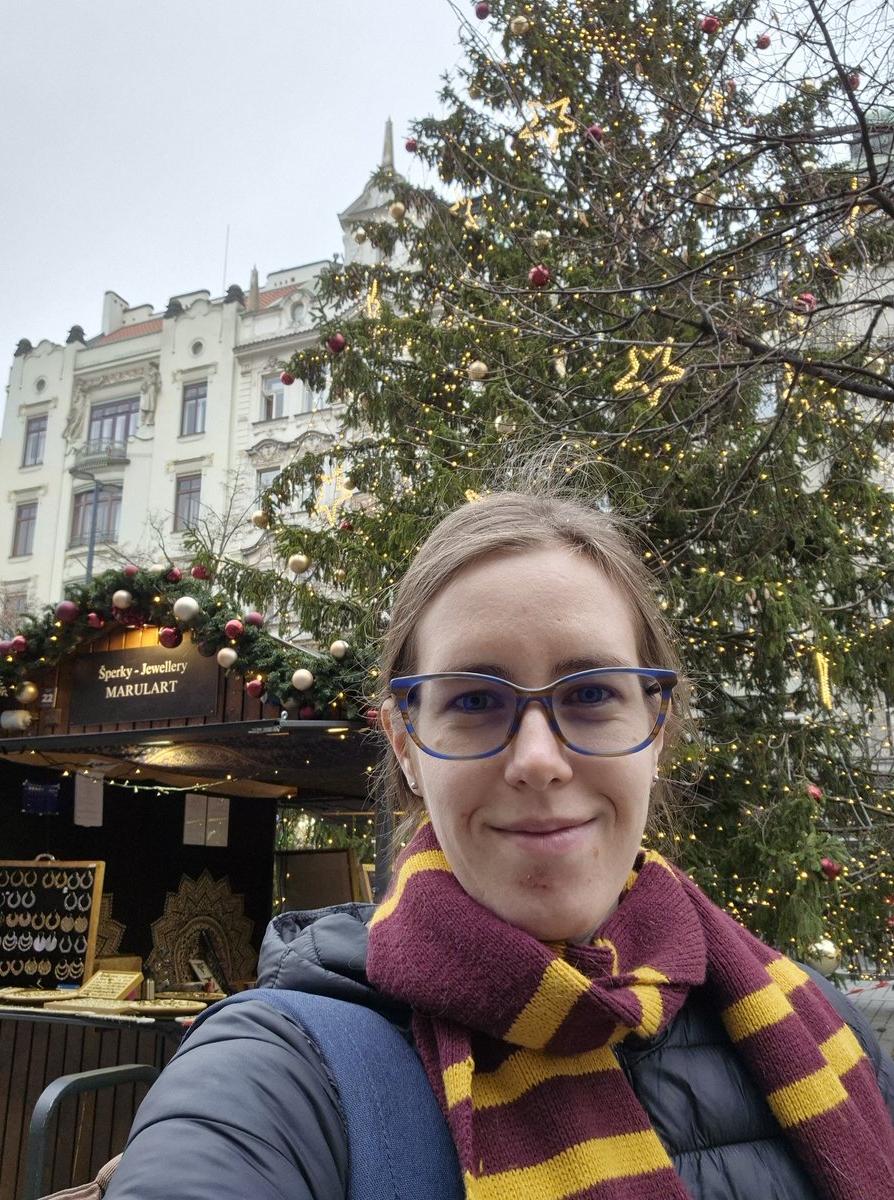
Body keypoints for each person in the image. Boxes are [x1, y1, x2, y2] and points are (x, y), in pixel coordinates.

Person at [106, 490, 894, 1200]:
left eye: (592, 693)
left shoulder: (817, 1020)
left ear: (656, 729)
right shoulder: (285, 1069)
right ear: (406, 745)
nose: (539, 761)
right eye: (475, 701)